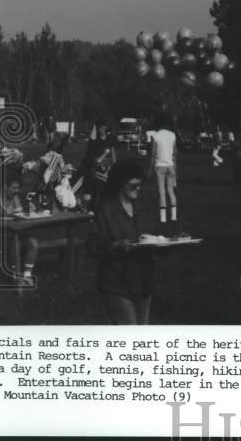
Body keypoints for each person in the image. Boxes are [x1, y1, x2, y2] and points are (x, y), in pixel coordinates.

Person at [86, 159, 154, 324]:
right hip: (117, 284)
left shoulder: (140, 207)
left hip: (143, 282)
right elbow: (92, 245)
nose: (138, 189)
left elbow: (153, 237)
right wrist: (115, 246)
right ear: (119, 184)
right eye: (133, 185)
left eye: (140, 185)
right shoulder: (106, 210)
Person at [0, 170, 39, 285]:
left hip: (14, 232)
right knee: (15, 243)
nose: (16, 191)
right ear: (4, 186)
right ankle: (16, 276)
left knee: (33, 243)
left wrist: (29, 211)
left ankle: (27, 275)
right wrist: (6, 218)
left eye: (17, 188)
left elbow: (18, 214)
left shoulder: (14, 198)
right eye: (14, 188)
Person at [147, 113, 179, 232]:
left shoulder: (155, 136)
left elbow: (152, 155)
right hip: (170, 166)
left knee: (162, 191)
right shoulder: (172, 135)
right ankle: (174, 216)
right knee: (171, 191)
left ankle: (163, 218)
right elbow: (175, 152)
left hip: (159, 166)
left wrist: (149, 170)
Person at [79, 120, 116, 209]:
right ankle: (89, 204)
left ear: (106, 128)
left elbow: (113, 153)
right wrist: (96, 164)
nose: (102, 129)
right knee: (92, 182)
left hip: (106, 165)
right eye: (100, 127)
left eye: (104, 127)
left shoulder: (110, 139)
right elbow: (91, 155)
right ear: (98, 129)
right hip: (96, 165)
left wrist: (114, 165)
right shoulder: (95, 140)